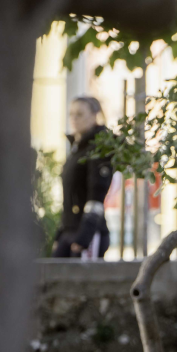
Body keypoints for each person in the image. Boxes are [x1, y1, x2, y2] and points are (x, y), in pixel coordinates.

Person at [53, 95, 113, 259]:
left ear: (94, 116)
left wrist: (84, 237)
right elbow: (69, 197)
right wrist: (60, 234)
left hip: (88, 233)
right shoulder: (76, 148)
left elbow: (97, 194)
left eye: (79, 114)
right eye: (71, 114)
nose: (74, 118)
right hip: (69, 230)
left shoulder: (98, 148)